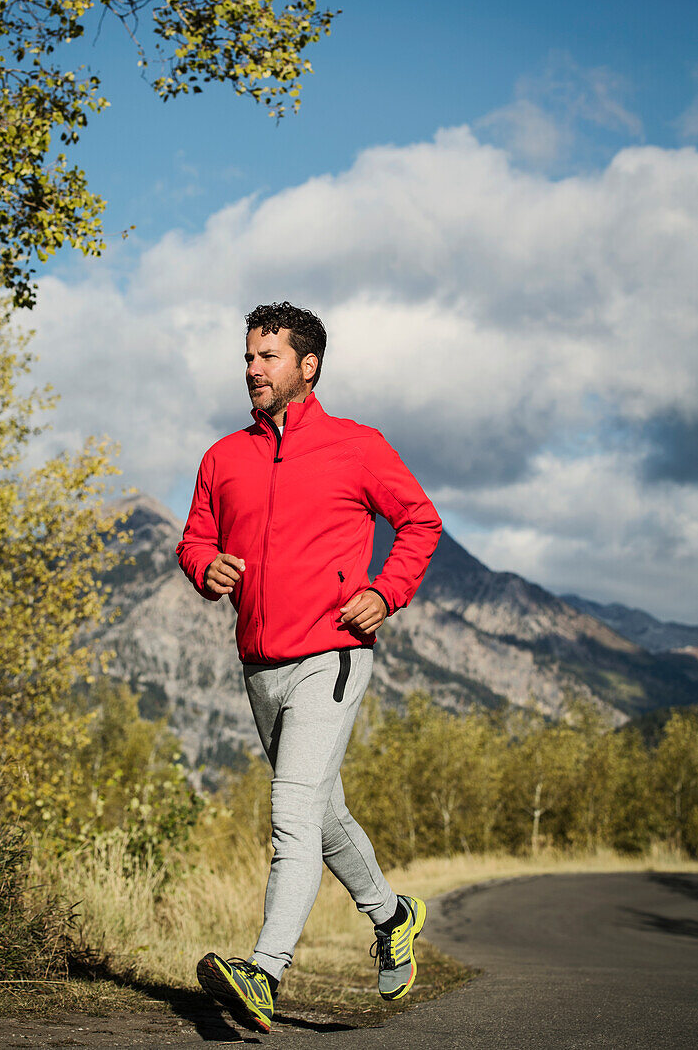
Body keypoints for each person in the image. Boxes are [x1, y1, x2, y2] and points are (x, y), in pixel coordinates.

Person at [176, 301, 442, 1034]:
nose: (253, 370)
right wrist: (208, 566)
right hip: (258, 664)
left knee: (290, 817)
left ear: (307, 365)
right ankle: (392, 916)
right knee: (322, 815)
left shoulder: (357, 447)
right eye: (248, 358)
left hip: (330, 653)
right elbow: (195, 538)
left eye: (267, 358)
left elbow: (420, 522)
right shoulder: (222, 456)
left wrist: (383, 592)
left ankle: (263, 971)